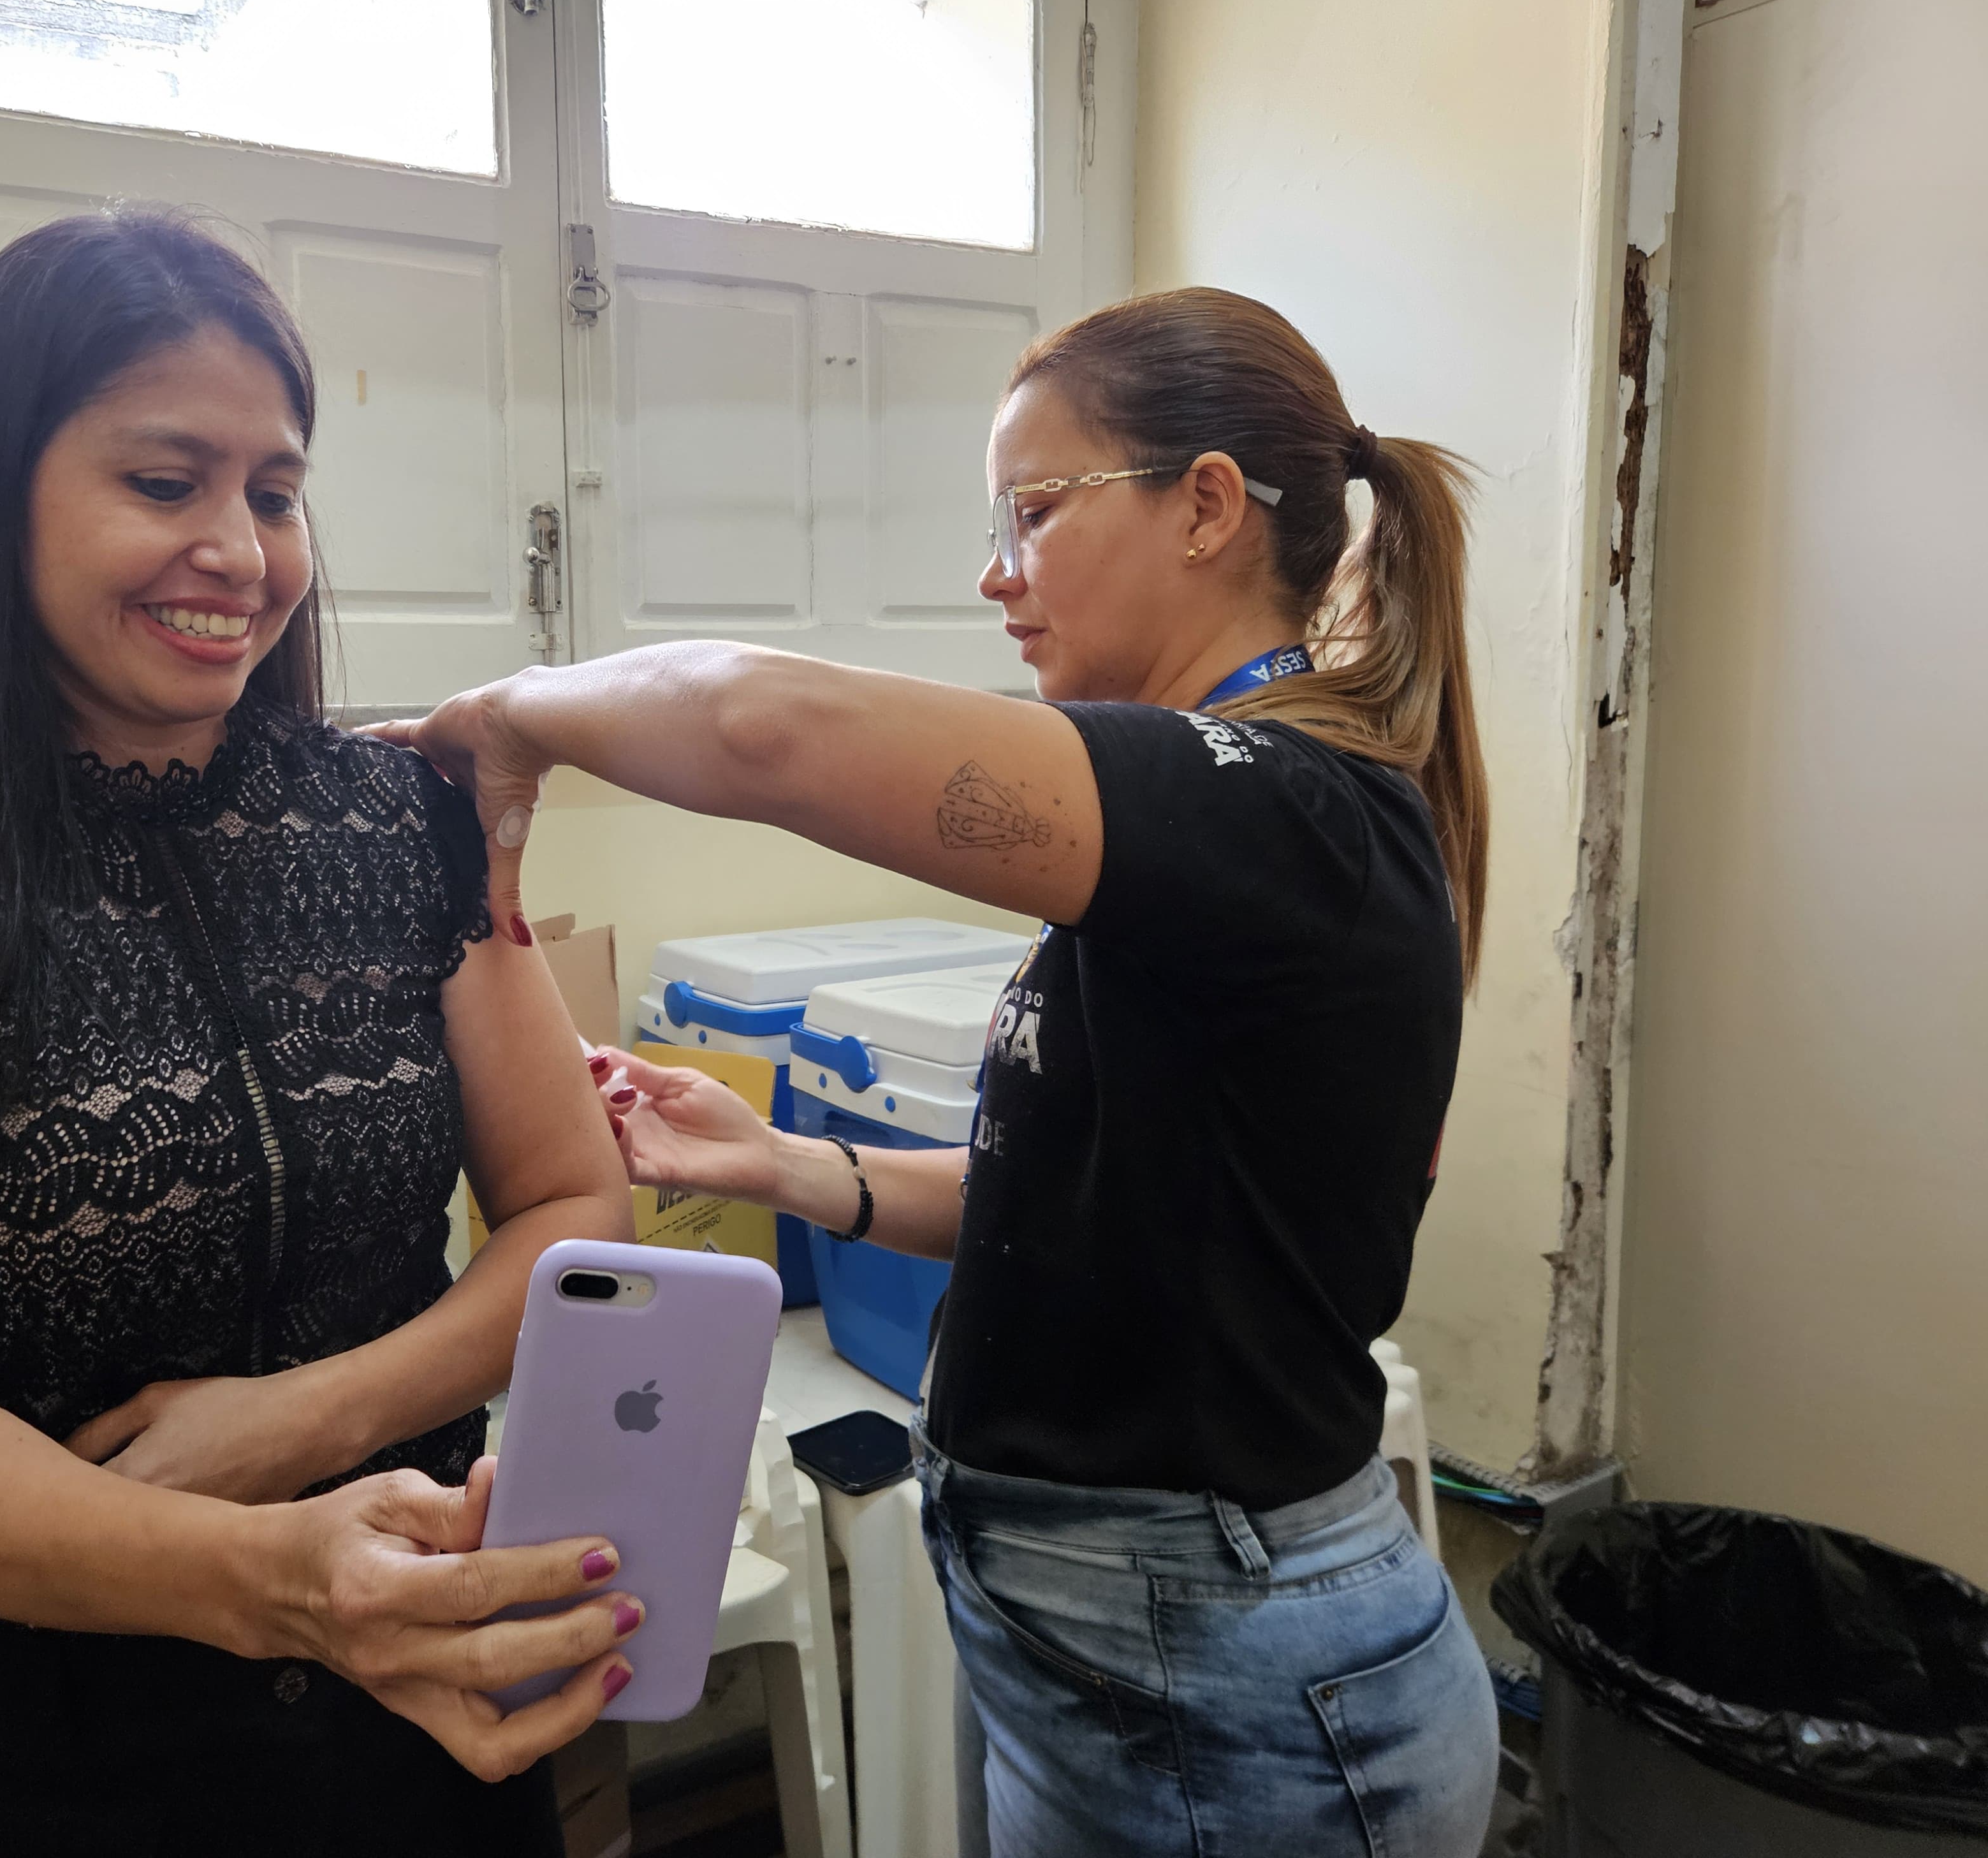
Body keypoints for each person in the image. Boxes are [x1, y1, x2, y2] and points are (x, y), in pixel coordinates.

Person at [377, 288, 1503, 1856]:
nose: (994, 572)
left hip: (1225, 1681)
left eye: (1036, 514)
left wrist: (511, 714)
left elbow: (761, 726)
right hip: (1117, 1649)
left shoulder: (1273, 808)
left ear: (1204, 508)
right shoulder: (1213, 850)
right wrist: (782, 1167)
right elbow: (1092, 1208)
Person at [0, 208, 641, 1858]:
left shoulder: (399, 821)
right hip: (59, 1765)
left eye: (275, 490)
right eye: (166, 484)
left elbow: (573, 1210)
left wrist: (305, 1423)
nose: (241, 552)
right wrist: (280, 1579)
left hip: (426, 1710)